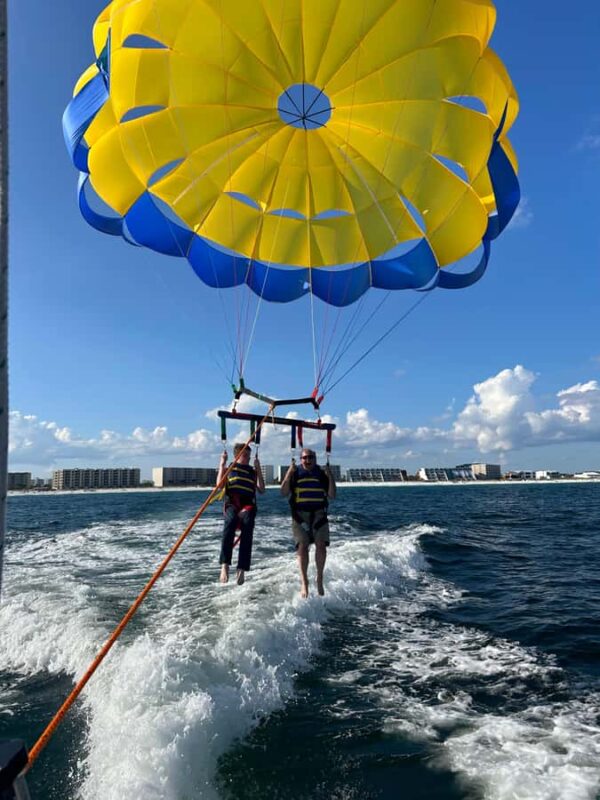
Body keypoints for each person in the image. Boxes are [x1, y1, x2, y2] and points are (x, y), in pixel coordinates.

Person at [280, 448, 336, 598]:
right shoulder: (295, 473)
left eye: (310, 457)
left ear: (315, 459)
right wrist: (288, 474)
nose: (308, 460)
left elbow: (331, 495)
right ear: (300, 459)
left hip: (319, 515)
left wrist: (330, 476)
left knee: (321, 545)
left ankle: (319, 578)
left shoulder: (321, 474)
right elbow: (283, 493)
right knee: (303, 546)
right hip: (300, 516)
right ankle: (304, 582)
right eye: (304, 458)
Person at [217, 442, 265, 585]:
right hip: (232, 504)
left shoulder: (252, 471)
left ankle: (242, 568)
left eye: (249, 457)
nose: (247, 459)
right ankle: (224, 564)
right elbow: (219, 486)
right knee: (230, 522)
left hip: (247, 506)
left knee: (248, 525)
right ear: (237, 456)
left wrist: (258, 469)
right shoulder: (229, 468)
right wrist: (222, 464)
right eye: (245, 455)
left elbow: (261, 489)